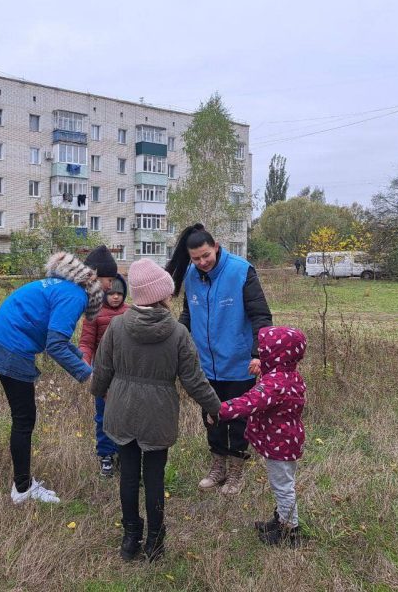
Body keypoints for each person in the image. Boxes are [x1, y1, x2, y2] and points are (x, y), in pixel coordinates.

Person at [91, 258, 221, 562]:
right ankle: (155, 542)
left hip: (122, 410)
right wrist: (214, 407)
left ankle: (130, 538)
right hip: (158, 414)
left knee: (127, 478)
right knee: (154, 478)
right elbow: (193, 378)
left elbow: (102, 369)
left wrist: (98, 392)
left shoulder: (117, 325)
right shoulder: (177, 333)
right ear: (162, 294)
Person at [0, 251, 104, 504]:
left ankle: (23, 484)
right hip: (11, 347)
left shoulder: (63, 287)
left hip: (3, 342)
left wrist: (82, 359)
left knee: (23, 417)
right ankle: (22, 489)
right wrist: (89, 378)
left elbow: (58, 340)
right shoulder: (75, 296)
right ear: (98, 283)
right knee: (24, 419)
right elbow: (55, 346)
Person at [166, 224, 272, 495]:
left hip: (239, 364)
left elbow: (261, 315)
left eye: (206, 256)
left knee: (238, 420)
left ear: (216, 247)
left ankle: (236, 470)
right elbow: (188, 315)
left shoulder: (241, 271)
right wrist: (176, 340)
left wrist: (258, 353)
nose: (202, 262)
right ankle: (218, 467)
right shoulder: (191, 274)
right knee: (212, 417)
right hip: (205, 366)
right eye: (195, 258)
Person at [217, 326, 307, 547]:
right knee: (284, 483)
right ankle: (281, 520)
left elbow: (249, 402)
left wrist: (219, 410)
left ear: (276, 355)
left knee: (283, 486)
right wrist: (265, 369)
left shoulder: (274, 384)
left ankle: (291, 531)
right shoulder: (287, 375)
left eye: (264, 351)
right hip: (286, 440)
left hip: (280, 444)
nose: (260, 353)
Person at [79, 273, 129, 476]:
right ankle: (106, 454)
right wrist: (85, 364)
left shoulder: (131, 312)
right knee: (103, 416)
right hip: (103, 373)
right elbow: (86, 343)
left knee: (126, 415)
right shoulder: (94, 313)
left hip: (127, 373)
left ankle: (124, 453)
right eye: (111, 292)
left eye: (120, 293)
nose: (116, 297)